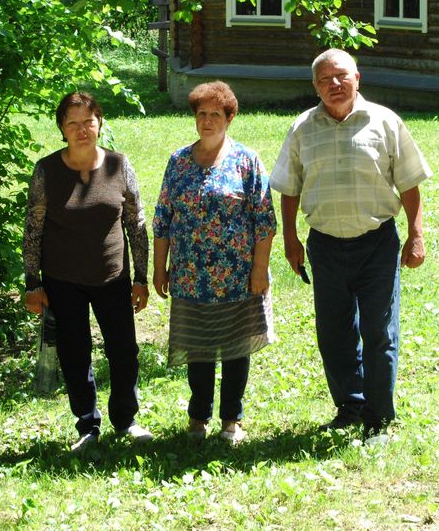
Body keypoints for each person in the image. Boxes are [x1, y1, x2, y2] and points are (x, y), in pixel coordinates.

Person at [270, 49, 431, 444]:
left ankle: (378, 419)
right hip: (325, 246)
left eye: (341, 75)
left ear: (357, 78)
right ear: (315, 86)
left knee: (379, 332)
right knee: (334, 334)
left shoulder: (385, 122)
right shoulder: (302, 128)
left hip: (377, 244)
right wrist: (290, 239)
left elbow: (409, 182)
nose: (335, 84)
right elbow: (289, 188)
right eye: (325, 79)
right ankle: (350, 406)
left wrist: (416, 234)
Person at [22, 92, 152, 453]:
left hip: (113, 277)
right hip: (63, 280)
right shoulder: (46, 170)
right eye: (73, 123)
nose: (82, 130)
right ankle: (87, 424)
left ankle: (125, 420)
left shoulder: (119, 166)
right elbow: (33, 228)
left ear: (100, 123)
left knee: (124, 351)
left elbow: (136, 223)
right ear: (62, 129)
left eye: (89, 122)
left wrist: (141, 277)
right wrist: (32, 282)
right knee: (74, 354)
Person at [152, 81, 276, 445]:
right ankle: (198, 417)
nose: (208, 121)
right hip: (191, 276)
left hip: (238, 275)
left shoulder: (247, 160)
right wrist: (159, 268)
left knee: (237, 347)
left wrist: (259, 270)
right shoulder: (178, 162)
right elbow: (162, 219)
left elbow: (265, 221)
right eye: (202, 114)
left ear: (229, 118)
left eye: (216, 114)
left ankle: (231, 420)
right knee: (198, 348)